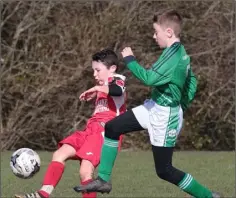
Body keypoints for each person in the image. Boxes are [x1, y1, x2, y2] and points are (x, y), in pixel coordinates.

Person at [73, 10, 221, 198]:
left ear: (168, 32)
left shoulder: (174, 56)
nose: (154, 36)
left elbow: (149, 79)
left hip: (165, 116)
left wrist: (130, 60)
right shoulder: (178, 52)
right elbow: (192, 82)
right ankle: (103, 180)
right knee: (112, 127)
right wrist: (182, 102)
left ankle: (208, 196)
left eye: (155, 31)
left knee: (164, 170)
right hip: (154, 106)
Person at [15, 49, 126, 198]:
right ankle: (43, 194)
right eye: (93, 70)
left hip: (105, 133)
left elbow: (118, 90)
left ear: (112, 69)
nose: (94, 74)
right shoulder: (103, 87)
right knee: (59, 154)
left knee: (85, 171)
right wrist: (98, 90)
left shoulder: (117, 79)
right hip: (90, 131)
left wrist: (98, 88)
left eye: (98, 70)